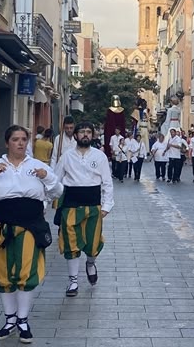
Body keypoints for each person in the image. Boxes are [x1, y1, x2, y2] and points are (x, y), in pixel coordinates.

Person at [0, 125, 62, 344]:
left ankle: (23, 320)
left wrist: (47, 177)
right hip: (0, 224)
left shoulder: (38, 166)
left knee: (26, 271)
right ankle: (9, 320)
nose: (20, 143)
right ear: (7, 142)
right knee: (3, 272)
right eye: (15, 139)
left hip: (30, 224)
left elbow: (58, 191)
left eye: (23, 139)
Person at [51, 122, 114, 294]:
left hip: (93, 206)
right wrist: (49, 199)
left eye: (88, 132)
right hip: (71, 205)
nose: (85, 135)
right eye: (82, 132)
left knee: (93, 243)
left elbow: (107, 183)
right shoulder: (66, 156)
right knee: (71, 243)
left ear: (93, 135)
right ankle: (73, 281)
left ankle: (90, 263)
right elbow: (56, 180)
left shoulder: (99, 156)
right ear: (76, 135)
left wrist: (107, 206)